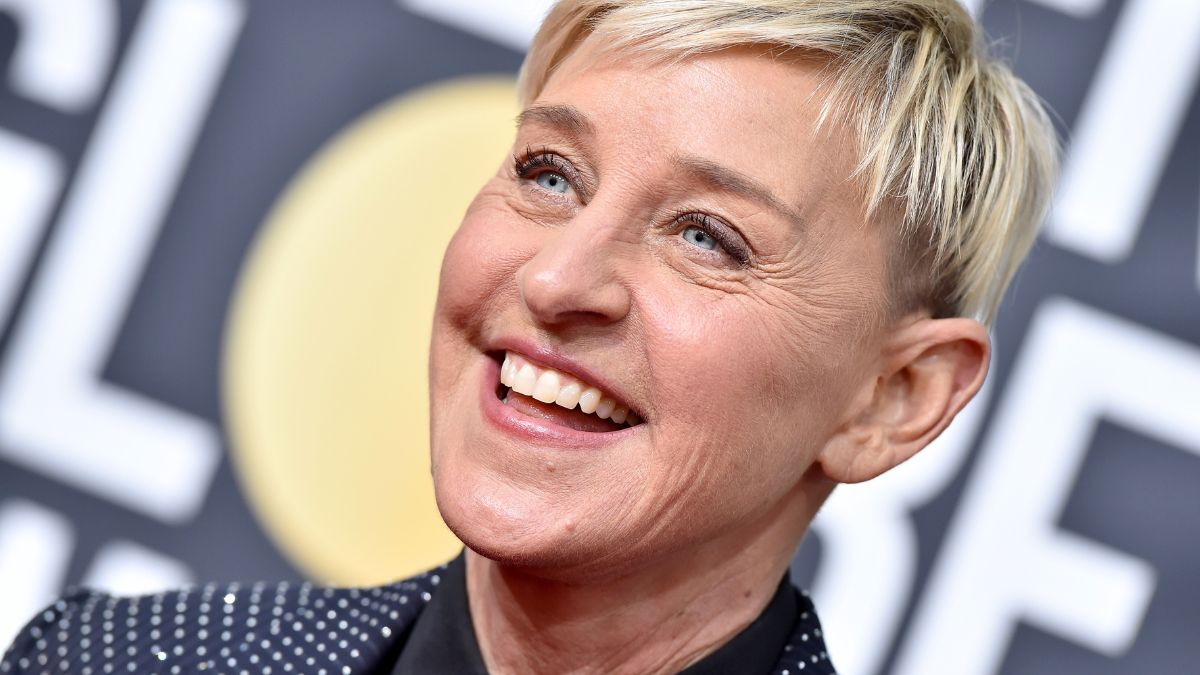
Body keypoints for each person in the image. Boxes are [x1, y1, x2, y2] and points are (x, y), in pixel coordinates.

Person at [1, 0, 1057, 673]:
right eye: (550, 174)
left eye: (707, 236)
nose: (558, 280)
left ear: (896, 397)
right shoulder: (111, 659)